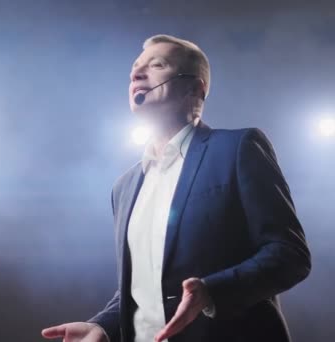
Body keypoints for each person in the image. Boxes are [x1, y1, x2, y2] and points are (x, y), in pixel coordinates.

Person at [42, 34, 311, 342]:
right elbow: (146, 285)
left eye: (157, 65)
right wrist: (104, 325)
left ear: (195, 88)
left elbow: (290, 254)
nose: (136, 74)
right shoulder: (124, 187)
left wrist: (211, 292)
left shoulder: (238, 148)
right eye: (135, 68)